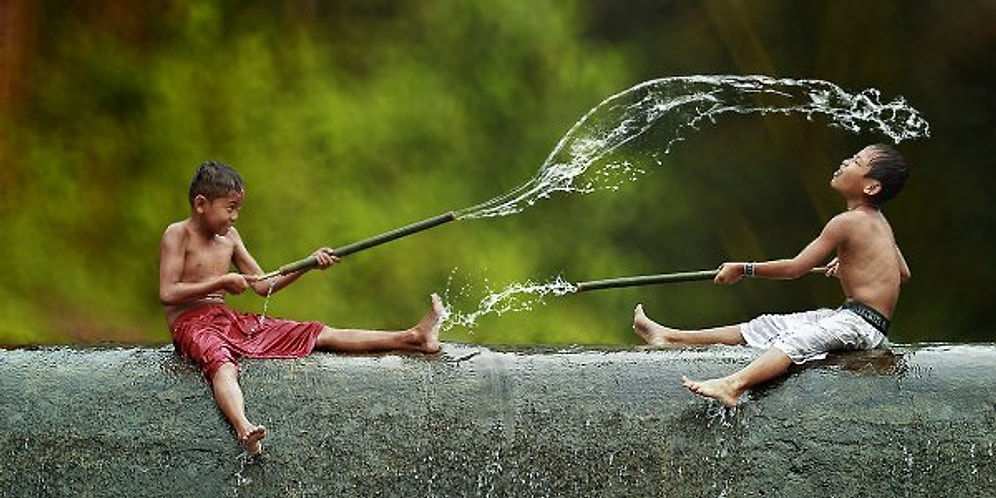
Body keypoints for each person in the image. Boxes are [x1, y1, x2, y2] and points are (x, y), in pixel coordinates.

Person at [159, 160, 445, 454]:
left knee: (317, 332)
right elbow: (168, 292)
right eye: (230, 208)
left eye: (238, 209)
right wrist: (220, 282)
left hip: (226, 319)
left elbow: (263, 284)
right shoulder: (177, 234)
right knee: (223, 364)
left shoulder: (230, 239)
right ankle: (243, 427)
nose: (235, 217)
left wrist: (308, 265)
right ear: (201, 203)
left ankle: (412, 337)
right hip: (191, 324)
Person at [633, 144, 911, 407]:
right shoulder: (879, 223)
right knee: (767, 326)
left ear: (871, 186)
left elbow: (795, 268)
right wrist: (853, 261)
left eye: (856, 162)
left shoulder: (846, 223)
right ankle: (670, 337)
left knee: (795, 341)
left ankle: (733, 386)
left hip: (860, 324)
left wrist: (745, 268)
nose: (845, 162)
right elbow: (903, 273)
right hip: (857, 318)